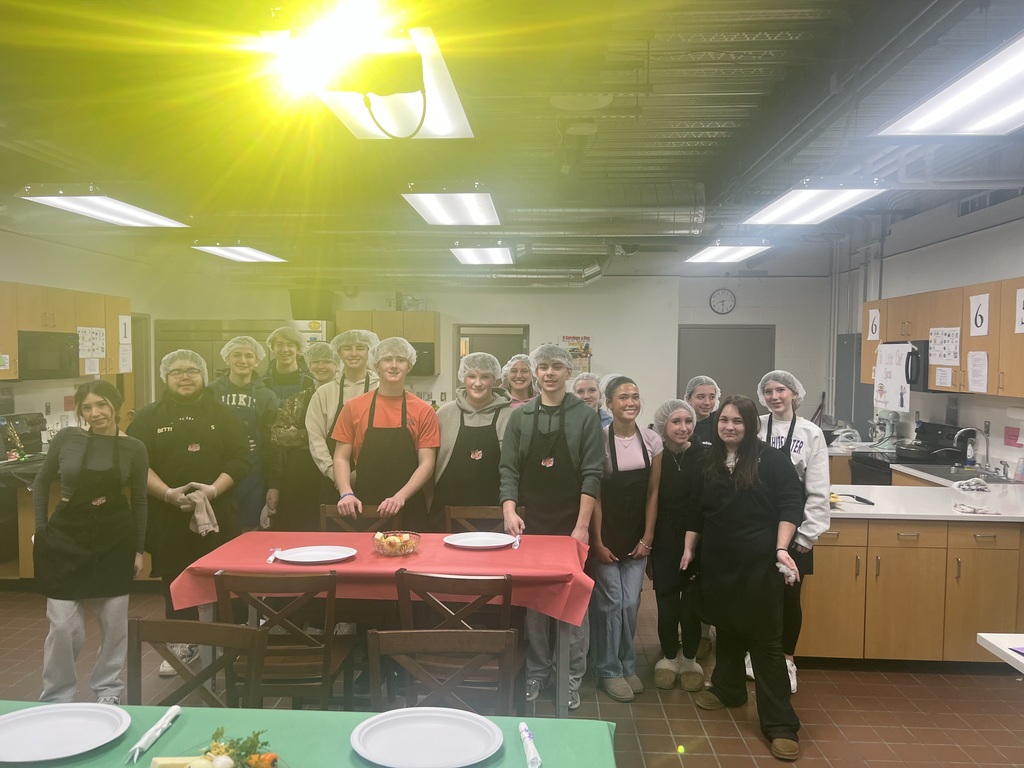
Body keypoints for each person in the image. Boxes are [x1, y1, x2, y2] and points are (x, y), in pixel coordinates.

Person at [682, 395, 804, 762]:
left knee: (766, 640)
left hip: (760, 562)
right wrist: (690, 549)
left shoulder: (773, 461)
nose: (729, 426)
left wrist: (782, 549)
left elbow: (790, 505)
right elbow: (695, 510)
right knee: (727, 625)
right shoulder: (709, 461)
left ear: (751, 425)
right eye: (724, 420)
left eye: (737, 421)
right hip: (719, 560)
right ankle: (728, 688)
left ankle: (781, 725)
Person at [127, 349, 250, 676]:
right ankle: (184, 642)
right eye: (177, 371)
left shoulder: (225, 414)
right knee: (176, 577)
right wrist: (168, 494)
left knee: (228, 574)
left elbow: (240, 459)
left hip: (219, 509)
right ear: (165, 378)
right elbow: (137, 464)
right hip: (168, 512)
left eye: (192, 371)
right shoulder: (148, 417)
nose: (185, 376)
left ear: (203, 376)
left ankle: (235, 639)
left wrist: (211, 491)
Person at [498, 344, 604, 711]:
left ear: (568, 372)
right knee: (534, 604)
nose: (549, 374)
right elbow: (508, 469)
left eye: (557, 367)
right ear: (535, 371)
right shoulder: (522, 416)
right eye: (543, 367)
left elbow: (592, 474)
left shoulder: (585, 417)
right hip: (530, 523)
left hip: (570, 522)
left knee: (573, 604)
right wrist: (509, 512)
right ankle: (537, 671)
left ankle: (570, 677)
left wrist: (582, 527)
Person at [32, 381, 148, 705]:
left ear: (115, 404)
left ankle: (108, 689)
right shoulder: (66, 439)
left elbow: (139, 500)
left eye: (101, 405)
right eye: (86, 407)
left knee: (113, 627)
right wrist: (41, 530)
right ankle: (57, 695)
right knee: (63, 627)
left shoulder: (134, 447)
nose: (94, 413)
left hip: (115, 539)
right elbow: (41, 483)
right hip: (65, 536)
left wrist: (138, 548)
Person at [752, 370, 830, 694]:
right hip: (756, 526)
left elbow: (818, 490)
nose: (774, 396)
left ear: (793, 393)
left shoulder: (812, 434)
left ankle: (786, 660)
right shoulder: (755, 426)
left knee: (789, 598)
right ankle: (753, 656)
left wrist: (806, 536)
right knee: (754, 594)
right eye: (768, 390)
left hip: (796, 531)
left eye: (780, 389)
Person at [588, 376, 662, 703]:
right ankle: (607, 669)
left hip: (637, 534)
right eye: (622, 397)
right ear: (609, 404)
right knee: (610, 603)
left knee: (630, 603)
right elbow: (596, 496)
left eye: (634, 396)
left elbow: (653, 492)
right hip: (606, 533)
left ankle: (626, 664)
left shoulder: (652, 441)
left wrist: (648, 537)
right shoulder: (598, 441)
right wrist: (598, 542)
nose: (630, 402)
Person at [332, 337, 439, 532]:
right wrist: (346, 492)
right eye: (387, 359)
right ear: (376, 365)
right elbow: (340, 457)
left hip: (409, 505)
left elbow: (427, 463)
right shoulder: (354, 407)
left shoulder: (424, 411)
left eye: (401, 359)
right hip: (364, 506)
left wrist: (400, 497)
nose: (394, 365)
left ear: (409, 366)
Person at [650, 399, 706, 692]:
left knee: (693, 603)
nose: (683, 428)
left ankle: (690, 658)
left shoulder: (705, 455)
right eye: (676, 422)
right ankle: (669, 657)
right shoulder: (654, 456)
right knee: (667, 599)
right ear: (663, 425)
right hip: (663, 537)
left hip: (699, 537)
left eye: (688, 422)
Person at [430, 352, 513, 531]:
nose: (478, 383)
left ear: (495, 379)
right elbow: (430, 463)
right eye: (471, 376)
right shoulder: (444, 414)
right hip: (446, 513)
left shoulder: (510, 416)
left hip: (496, 515)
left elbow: (515, 468)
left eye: (485, 377)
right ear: (463, 378)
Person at [210, 336, 280, 532]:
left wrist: (274, 484)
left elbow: (273, 443)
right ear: (227, 359)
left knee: (249, 532)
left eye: (249, 356)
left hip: (254, 475)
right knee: (217, 530)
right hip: (215, 471)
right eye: (237, 355)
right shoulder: (211, 391)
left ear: (257, 361)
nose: (243, 360)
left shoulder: (266, 395)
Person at [270, 342, 340, 531]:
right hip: (300, 477)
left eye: (326, 361)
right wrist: (315, 436)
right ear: (308, 364)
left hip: (335, 472)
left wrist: (299, 435)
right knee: (299, 527)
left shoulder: (347, 397)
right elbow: (277, 436)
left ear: (337, 365)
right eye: (316, 361)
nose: (320, 366)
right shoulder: (297, 399)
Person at [306, 329, 380, 504]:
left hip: (374, 476)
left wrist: (363, 472)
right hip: (332, 480)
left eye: (360, 348)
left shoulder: (381, 389)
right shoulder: (324, 393)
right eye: (347, 348)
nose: (353, 353)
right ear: (338, 352)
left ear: (369, 351)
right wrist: (335, 474)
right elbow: (315, 438)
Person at [262, 326, 314, 400]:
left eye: (290, 345)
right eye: (279, 345)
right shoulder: (264, 382)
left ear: (298, 349)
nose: (285, 349)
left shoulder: (310, 381)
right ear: (272, 348)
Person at [685, 375, 721, 449]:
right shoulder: (681, 424)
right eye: (701, 397)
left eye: (712, 397)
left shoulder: (720, 424)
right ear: (689, 399)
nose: (707, 402)